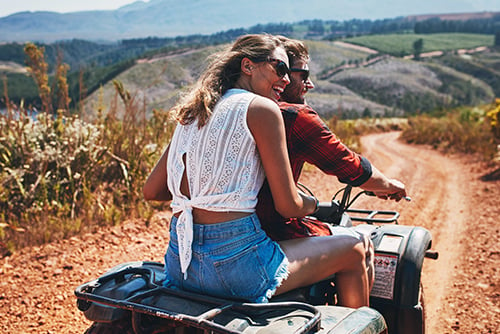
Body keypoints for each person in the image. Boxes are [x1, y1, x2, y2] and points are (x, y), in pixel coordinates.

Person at [143, 33, 376, 307]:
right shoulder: (263, 109)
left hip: (180, 268)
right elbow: (289, 206)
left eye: (290, 73)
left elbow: (152, 191)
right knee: (354, 249)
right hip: (238, 271)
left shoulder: (195, 111)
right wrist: (314, 204)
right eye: (280, 68)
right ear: (247, 66)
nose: (287, 79)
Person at [255, 37, 407, 292]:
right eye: (303, 75)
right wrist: (388, 185)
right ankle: (365, 325)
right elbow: (349, 166)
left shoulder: (223, 108)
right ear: (278, 72)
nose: (309, 84)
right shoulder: (294, 116)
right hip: (271, 233)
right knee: (361, 244)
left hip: (207, 242)